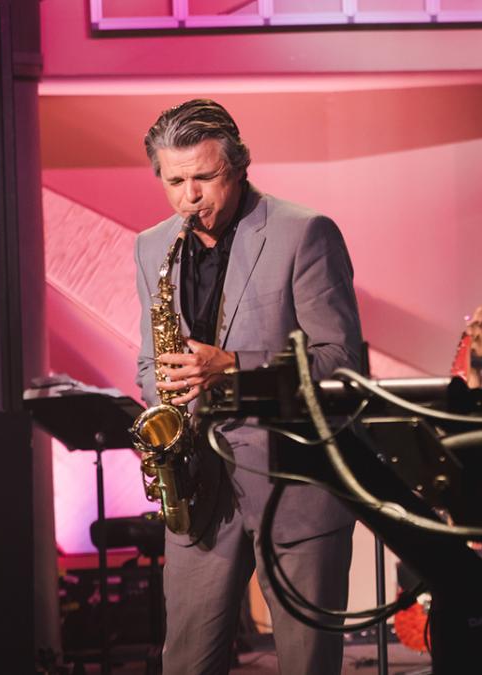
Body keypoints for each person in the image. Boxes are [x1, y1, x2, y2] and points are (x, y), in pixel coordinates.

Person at [134, 98, 363, 674]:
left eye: (204, 178)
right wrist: (166, 420)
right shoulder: (151, 246)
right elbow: (149, 362)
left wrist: (233, 366)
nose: (190, 197)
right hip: (198, 488)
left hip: (295, 484)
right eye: (175, 182)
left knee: (307, 665)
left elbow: (342, 363)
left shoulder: (304, 232)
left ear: (238, 167)